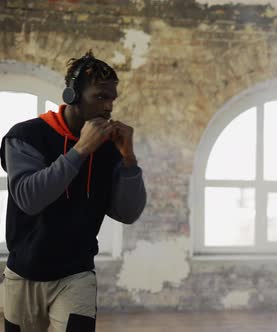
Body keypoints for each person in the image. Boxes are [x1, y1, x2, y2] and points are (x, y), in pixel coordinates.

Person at [0, 50, 146, 331]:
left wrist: (129, 160)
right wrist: (81, 150)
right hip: (24, 274)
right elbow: (30, 199)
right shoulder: (25, 136)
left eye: (112, 99)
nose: (108, 107)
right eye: (100, 97)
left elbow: (127, 213)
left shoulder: (109, 148)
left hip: (76, 274)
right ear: (72, 96)